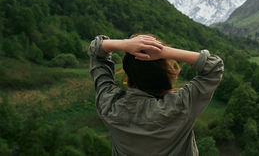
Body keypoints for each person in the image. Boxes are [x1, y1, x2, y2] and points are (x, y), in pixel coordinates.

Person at [88, 34, 224, 156]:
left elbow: (96, 52)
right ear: (165, 71)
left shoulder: (110, 106)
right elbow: (213, 67)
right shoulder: (180, 106)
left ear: (127, 71)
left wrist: (125, 44)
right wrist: (164, 51)